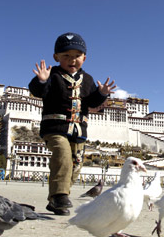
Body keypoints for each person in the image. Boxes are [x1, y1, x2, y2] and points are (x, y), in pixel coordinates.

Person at [29, 32, 116, 215]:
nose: (72, 60)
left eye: (77, 55)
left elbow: (92, 102)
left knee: (75, 164)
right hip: (54, 129)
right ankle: (60, 195)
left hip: (78, 131)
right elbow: (38, 91)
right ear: (56, 57)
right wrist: (42, 80)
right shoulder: (52, 75)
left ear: (84, 57)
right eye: (66, 56)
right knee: (62, 153)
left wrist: (102, 93)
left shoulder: (89, 79)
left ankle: (56, 201)